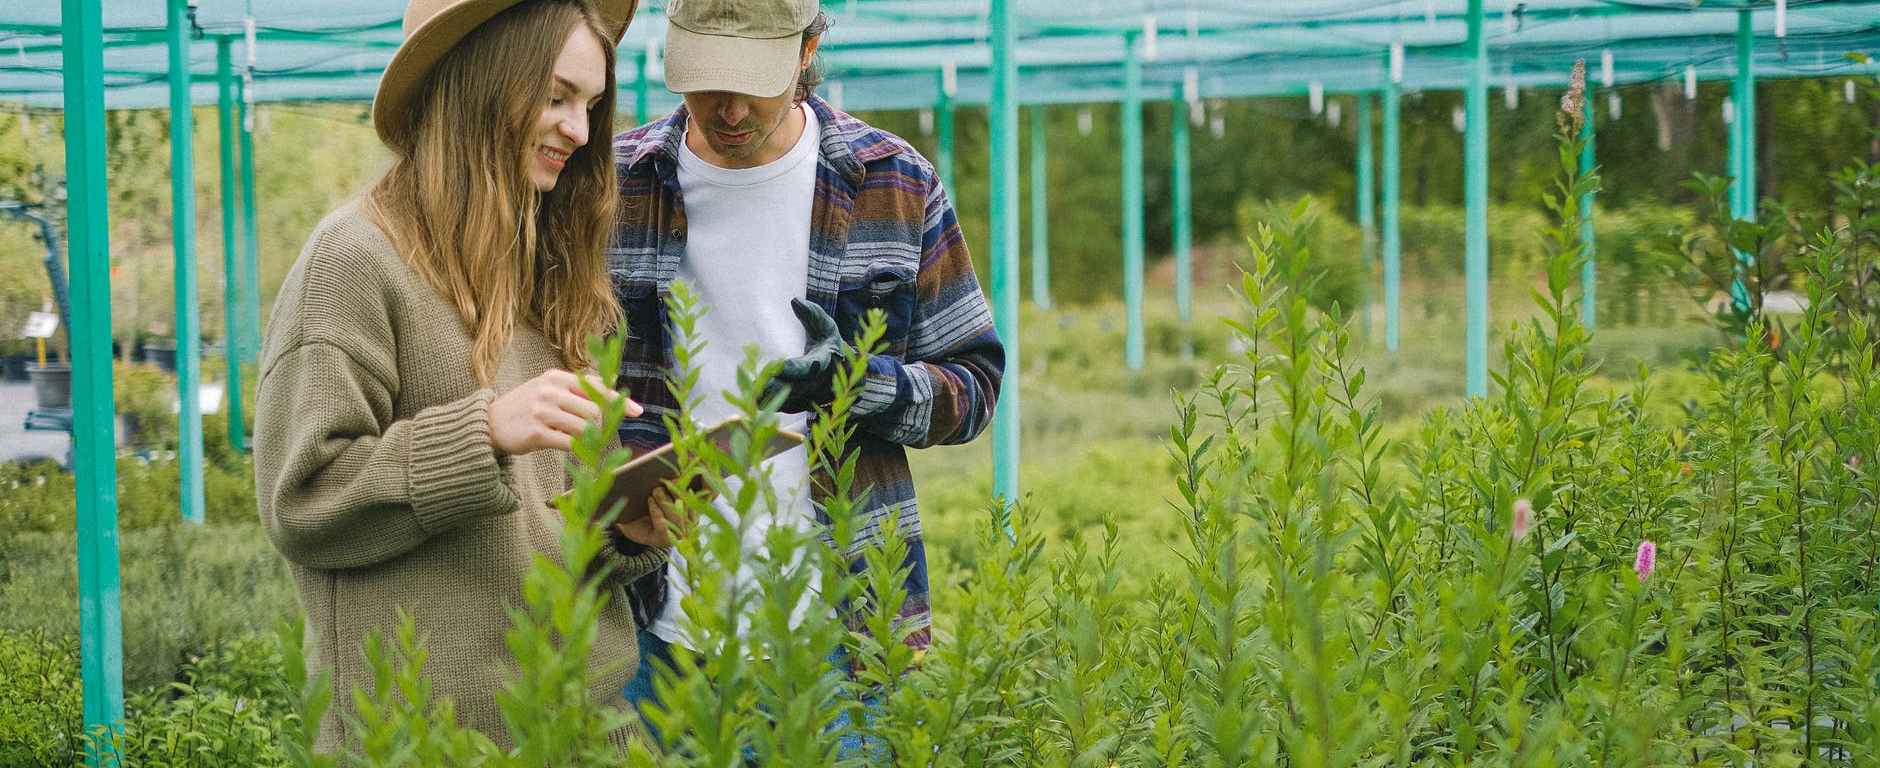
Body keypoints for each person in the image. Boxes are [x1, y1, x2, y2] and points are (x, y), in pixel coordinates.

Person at [252, 0, 686, 751]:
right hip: (435, 740)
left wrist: (620, 528)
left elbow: (536, 528)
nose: (581, 132)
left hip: (584, 731)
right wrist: (482, 429)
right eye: (556, 97)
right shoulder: (354, 260)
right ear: (481, 81)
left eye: (589, 104)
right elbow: (303, 499)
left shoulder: (547, 268)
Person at [605, 0, 1005, 751]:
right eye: (704, 78)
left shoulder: (895, 183)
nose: (726, 107)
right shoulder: (613, 185)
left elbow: (975, 384)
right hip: (655, 624)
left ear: (807, 48)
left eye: (749, 79)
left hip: (841, 633)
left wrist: (858, 383)